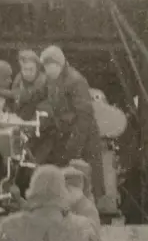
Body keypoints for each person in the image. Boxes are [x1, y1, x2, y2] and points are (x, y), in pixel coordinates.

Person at [38, 45, 107, 204]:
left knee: (88, 184)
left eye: (49, 67)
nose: (47, 71)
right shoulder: (52, 79)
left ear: (58, 64)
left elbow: (85, 118)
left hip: (84, 139)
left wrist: (73, 147)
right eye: (45, 67)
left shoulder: (76, 81)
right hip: (67, 135)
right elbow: (42, 96)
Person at [10, 49, 48, 121]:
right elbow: (14, 98)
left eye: (31, 69)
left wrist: (2, 92)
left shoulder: (43, 81)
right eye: (24, 69)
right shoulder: (19, 79)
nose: (27, 73)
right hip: (20, 118)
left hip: (38, 120)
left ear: (37, 68)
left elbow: (26, 95)